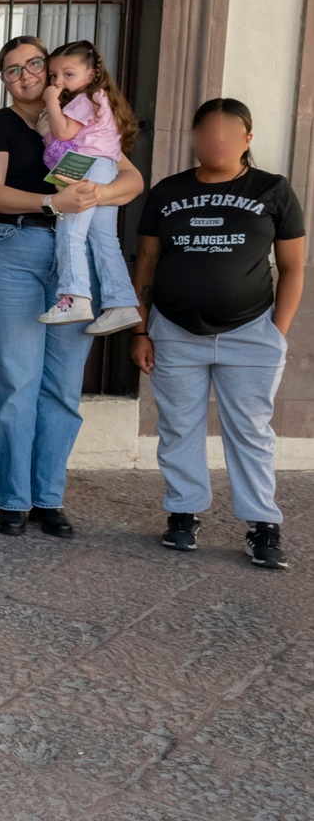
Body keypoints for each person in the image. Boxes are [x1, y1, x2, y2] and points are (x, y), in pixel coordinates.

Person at [0, 35, 145, 538]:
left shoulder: (87, 113)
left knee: (64, 385)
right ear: (4, 81)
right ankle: (13, 498)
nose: (25, 75)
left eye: (34, 64)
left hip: (77, 258)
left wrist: (94, 194)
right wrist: (53, 203)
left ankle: (48, 497)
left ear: (52, 68)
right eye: (12, 69)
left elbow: (132, 181)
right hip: (15, 250)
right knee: (16, 381)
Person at [132, 99, 303, 570]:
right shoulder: (168, 192)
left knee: (250, 430)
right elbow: (146, 262)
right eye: (207, 132)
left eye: (229, 133)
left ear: (248, 139)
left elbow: (292, 268)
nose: (218, 141)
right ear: (193, 137)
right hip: (174, 330)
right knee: (178, 426)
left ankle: (262, 523)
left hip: (252, 332)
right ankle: (183, 513)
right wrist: (140, 330)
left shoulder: (272, 189)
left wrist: (277, 333)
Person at [36, 40, 142, 334]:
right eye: (53, 76)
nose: (59, 82)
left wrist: (50, 101)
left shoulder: (85, 99)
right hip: (104, 169)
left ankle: (75, 297)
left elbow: (62, 133)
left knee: (71, 231)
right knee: (104, 239)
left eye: (68, 74)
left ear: (92, 73)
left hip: (87, 167)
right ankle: (121, 304)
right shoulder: (100, 98)